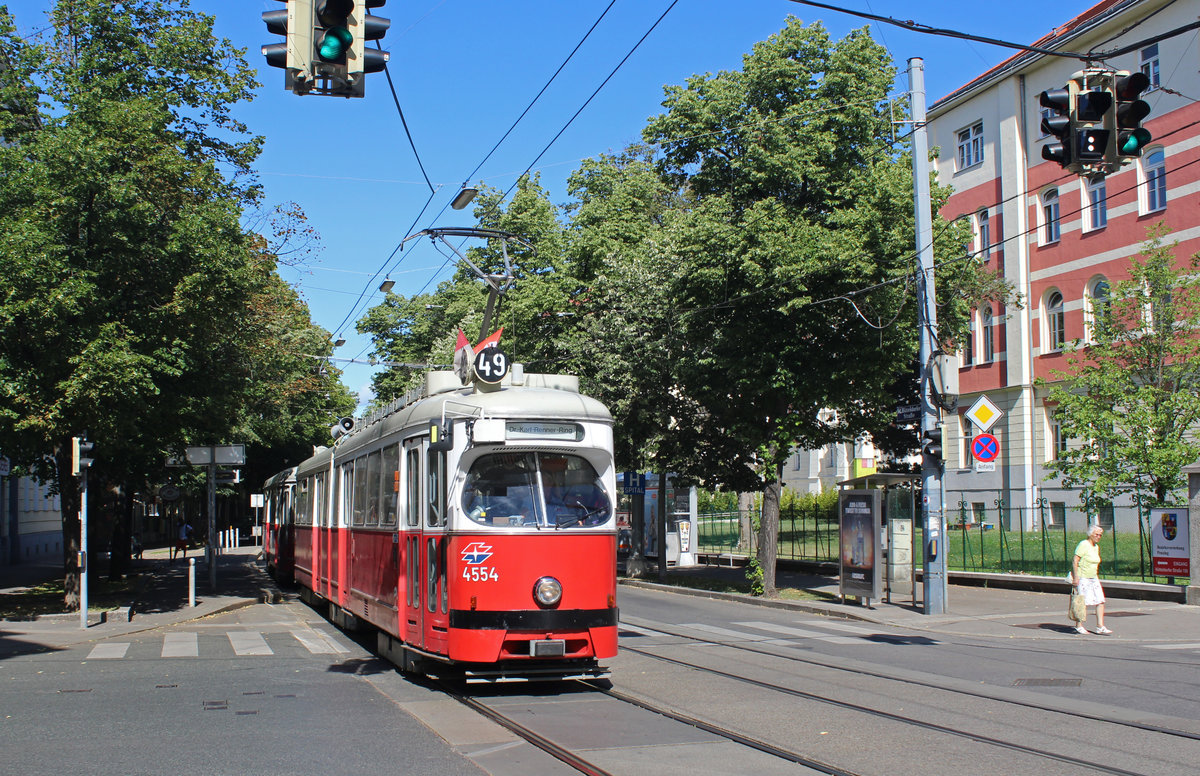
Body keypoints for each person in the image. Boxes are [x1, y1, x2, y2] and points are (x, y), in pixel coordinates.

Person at [1071, 524, 1112, 635]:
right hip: (1083, 577)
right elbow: (1075, 561)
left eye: (1100, 535)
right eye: (1096, 534)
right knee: (1082, 602)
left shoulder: (1096, 547)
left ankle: (1100, 626)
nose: (1098, 537)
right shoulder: (1084, 544)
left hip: (1093, 577)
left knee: (1100, 600)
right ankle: (1079, 626)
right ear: (1090, 534)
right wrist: (1076, 577)